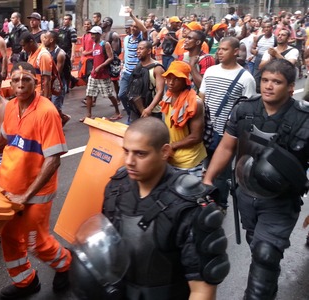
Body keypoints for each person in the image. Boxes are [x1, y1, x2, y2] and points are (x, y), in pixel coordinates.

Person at [75, 117, 229, 299]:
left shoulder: (190, 206)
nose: (129, 161)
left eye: (140, 154)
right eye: (126, 152)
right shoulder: (117, 187)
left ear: (164, 152)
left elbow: (202, 290)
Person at [203, 59, 309, 300]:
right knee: (258, 249)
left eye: (277, 82)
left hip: (281, 202)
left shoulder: (304, 118)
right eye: (265, 80)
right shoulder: (244, 109)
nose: (269, 86)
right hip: (246, 196)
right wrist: (208, 179)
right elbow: (227, 146)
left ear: (291, 87)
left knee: (265, 253)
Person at [0, 62, 72, 299]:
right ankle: (26, 281)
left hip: (34, 194)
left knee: (36, 243)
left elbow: (53, 159)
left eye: (26, 79)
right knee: (9, 237)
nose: (20, 84)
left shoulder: (46, 112)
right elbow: (6, 134)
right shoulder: (12, 106)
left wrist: (25, 197)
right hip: (7, 189)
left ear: (35, 81)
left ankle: (66, 263)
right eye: (15, 80)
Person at [199, 37, 256, 212]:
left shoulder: (246, 78)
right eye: (219, 49)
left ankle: (220, 204)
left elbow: (248, 110)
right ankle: (207, 198)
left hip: (227, 134)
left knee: (221, 173)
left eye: (224, 49)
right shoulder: (210, 71)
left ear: (236, 51)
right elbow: (202, 97)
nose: (219, 52)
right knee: (205, 166)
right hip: (206, 130)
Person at [160, 61, 206, 178]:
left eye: (176, 79)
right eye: (169, 78)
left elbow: (196, 137)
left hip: (188, 161)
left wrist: (172, 146)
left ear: (185, 81)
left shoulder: (195, 103)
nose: (170, 82)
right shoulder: (168, 96)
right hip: (171, 157)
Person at [80, 26, 121, 122]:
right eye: (91, 34)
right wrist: (94, 68)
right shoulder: (94, 45)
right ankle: (89, 115)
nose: (92, 36)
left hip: (103, 75)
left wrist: (100, 67)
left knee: (109, 94)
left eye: (94, 34)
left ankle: (117, 112)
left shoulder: (105, 44)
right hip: (94, 75)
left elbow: (110, 57)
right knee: (89, 94)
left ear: (99, 34)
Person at [118, 8, 147, 123]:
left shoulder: (141, 39)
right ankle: (131, 114)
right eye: (132, 26)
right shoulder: (127, 38)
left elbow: (144, 30)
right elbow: (126, 53)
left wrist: (132, 15)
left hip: (137, 73)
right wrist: (123, 64)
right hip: (126, 72)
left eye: (136, 26)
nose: (134, 28)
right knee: (122, 95)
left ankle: (138, 116)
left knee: (136, 97)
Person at [43, 30, 71, 126]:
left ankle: (57, 127)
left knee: (55, 107)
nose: (44, 40)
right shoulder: (45, 51)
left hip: (57, 83)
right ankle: (63, 118)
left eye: (46, 38)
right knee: (51, 107)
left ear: (51, 40)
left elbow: (57, 74)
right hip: (48, 81)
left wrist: (49, 85)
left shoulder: (60, 54)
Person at [133, 40, 165, 119]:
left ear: (149, 51)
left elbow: (160, 91)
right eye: (137, 49)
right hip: (138, 109)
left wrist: (149, 109)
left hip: (153, 111)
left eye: (141, 49)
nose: (138, 51)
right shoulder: (138, 66)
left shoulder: (157, 68)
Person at [20, 32, 53, 100]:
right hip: (33, 92)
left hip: (40, 95)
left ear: (31, 42)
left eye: (24, 45)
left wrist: (45, 100)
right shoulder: (32, 53)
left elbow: (46, 80)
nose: (23, 49)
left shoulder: (43, 55)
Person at [251, 21, 276, 92]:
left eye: (268, 27)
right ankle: (258, 94)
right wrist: (254, 51)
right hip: (258, 58)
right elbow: (252, 48)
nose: (266, 29)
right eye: (265, 27)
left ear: (272, 28)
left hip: (269, 60)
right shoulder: (259, 38)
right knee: (256, 78)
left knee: (267, 77)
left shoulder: (275, 39)